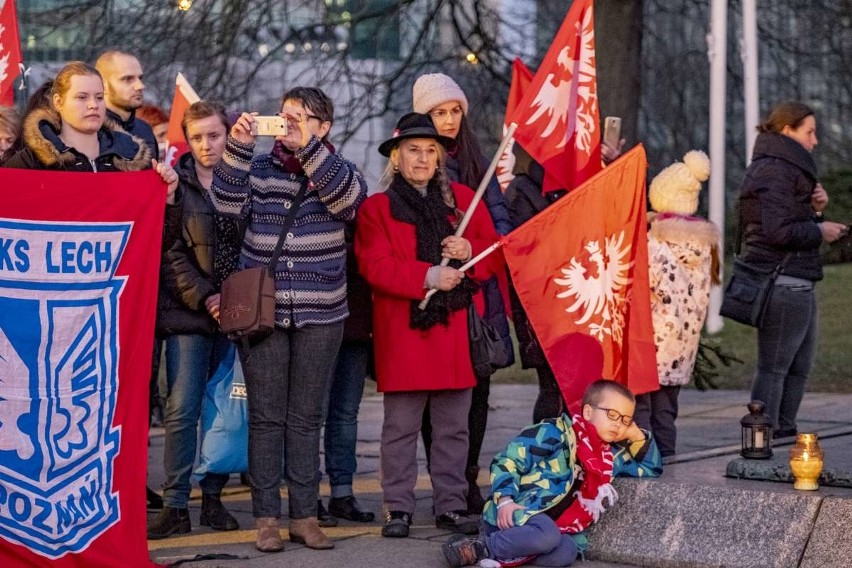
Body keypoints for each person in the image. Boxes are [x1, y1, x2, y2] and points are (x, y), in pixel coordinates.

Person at [210, 86, 367, 553]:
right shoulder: (257, 169)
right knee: (266, 418)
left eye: (304, 117)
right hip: (266, 312)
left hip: (323, 312)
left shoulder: (342, 171)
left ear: (325, 127)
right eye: (285, 116)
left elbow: (347, 203)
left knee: (306, 418)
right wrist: (237, 148)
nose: (292, 124)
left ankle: (304, 514)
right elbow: (225, 205)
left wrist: (309, 149)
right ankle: (265, 519)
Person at [355, 112, 502, 539]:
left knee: (454, 428)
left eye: (430, 151)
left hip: (453, 332)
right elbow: (375, 265)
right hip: (403, 332)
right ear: (396, 158)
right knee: (399, 429)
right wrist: (427, 275)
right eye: (413, 151)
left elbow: (493, 256)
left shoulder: (462, 200)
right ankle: (397, 507)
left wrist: (469, 246)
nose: (422, 159)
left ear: (440, 157)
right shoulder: (377, 207)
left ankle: (451, 505)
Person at [412, 72, 514, 513]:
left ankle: (466, 480)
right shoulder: (413, 161)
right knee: (436, 399)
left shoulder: (478, 162)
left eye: (455, 111)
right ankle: (445, 483)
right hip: (437, 298)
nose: (449, 120)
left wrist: (480, 244)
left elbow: (501, 224)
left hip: (478, 297)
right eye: (440, 112)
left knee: (478, 394)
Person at [147, 101, 245, 539]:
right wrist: (207, 298)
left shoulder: (245, 182)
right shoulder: (175, 185)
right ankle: (174, 504)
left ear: (228, 135)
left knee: (224, 410)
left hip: (237, 314)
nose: (207, 145)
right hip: (187, 316)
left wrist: (238, 302)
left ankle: (213, 499)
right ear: (187, 140)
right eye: (198, 137)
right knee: (182, 410)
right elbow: (168, 252)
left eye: (215, 135)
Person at [442, 379, 662, 567]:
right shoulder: (555, 433)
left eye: (625, 420)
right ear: (588, 411)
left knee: (566, 551)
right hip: (516, 513)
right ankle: (478, 547)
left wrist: (636, 436)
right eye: (612, 414)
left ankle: (512, 548)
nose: (618, 424)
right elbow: (508, 459)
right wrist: (505, 500)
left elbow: (651, 468)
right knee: (548, 536)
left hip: (553, 529)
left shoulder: (610, 458)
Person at [737, 101, 848, 437]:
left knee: (799, 368)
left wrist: (815, 212)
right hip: (782, 282)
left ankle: (784, 433)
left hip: (799, 280)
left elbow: (787, 222)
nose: (815, 141)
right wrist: (820, 229)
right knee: (774, 368)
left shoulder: (789, 167)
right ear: (787, 131)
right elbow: (776, 231)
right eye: (809, 132)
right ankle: (761, 437)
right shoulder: (775, 169)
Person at [506, 134, 623, 425]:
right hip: (546, 310)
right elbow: (526, 254)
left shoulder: (588, 181)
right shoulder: (523, 189)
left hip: (584, 305)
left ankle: (579, 455)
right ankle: (547, 454)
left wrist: (616, 168)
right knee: (554, 389)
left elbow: (630, 208)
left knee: (585, 390)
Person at [633, 151, 720, 457]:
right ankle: (668, 460)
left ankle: (645, 462)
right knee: (666, 411)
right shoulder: (704, 245)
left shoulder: (654, 243)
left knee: (641, 409)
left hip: (650, 342)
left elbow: (641, 284)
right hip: (681, 347)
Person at [318, 221, 376, 526]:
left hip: (354, 326)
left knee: (344, 415)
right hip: (313, 325)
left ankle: (342, 493)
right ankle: (307, 496)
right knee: (310, 415)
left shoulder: (353, 199)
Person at [95, 51, 158, 158]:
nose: (140, 86)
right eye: (128, 79)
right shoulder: (91, 131)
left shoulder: (145, 130)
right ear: (103, 85)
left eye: (140, 78)